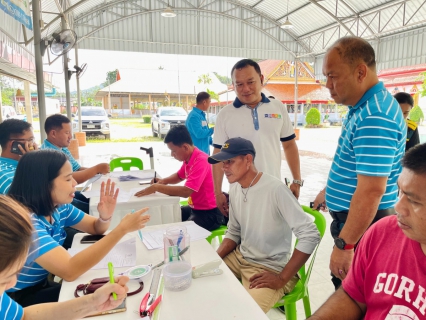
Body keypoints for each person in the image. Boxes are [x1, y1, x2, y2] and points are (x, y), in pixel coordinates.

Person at [312, 36, 406, 290]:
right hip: (358, 222)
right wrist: (329, 192)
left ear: (361, 72)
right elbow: (357, 169)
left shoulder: (375, 116)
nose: (328, 85)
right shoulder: (363, 107)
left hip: (365, 226)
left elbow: (371, 190)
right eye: (325, 77)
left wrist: (346, 245)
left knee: (352, 297)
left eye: (333, 76)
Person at [6, 149, 150, 307]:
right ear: (44, 183)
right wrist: (121, 230)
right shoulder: (27, 223)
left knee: (106, 293)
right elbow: (70, 270)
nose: (75, 184)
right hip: (19, 299)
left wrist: (105, 217)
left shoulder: (58, 207)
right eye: (68, 179)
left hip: (41, 285)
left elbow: (95, 228)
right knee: (100, 300)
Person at [309, 143, 426, 320]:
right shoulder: (383, 233)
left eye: (414, 201)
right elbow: (353, 297)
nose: (398, 207)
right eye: (399, 192)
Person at [209, 137, 320, 313]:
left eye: (229, 161)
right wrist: (214, 259)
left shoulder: (275, 189)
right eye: (223, 163)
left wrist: (282, 278)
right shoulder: (236, 187)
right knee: (202, 284)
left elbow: (310, 235)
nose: (224, 168)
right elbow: (234, 231)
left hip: (269, 267)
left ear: (248, 160)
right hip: (240, 257)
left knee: (245, 313)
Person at [0, 195, 130, 320]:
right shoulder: (34, 226)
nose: (13, 283)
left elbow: (24, 317)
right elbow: (70, 269)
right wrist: (121, 229)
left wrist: (93, 303)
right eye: (5, 280)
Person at [212, 59, 302, 218]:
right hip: (240, 194)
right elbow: (218, 154)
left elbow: (289, 145)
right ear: (233, 85)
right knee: (240, 238)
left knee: (275, 238)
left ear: (261, 79)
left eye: (250, 82)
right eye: (239, 84)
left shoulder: (277, 107)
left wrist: (297, 180)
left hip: (273, 191)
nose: (245, 89)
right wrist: (218, 192)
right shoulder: (225, 114)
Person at [135, 125, 224, 231]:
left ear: (185, 147)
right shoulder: (189, 158)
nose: (172, 154)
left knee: (179, 231)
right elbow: (179, 176)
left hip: (210, 214)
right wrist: (164, 181)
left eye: (173, 151)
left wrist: (157, 187)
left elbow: (186, 192)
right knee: (169, 215)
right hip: (195, 208)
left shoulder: (201, 161)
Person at [0, 119, 38, 194]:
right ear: (14, 145)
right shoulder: (3, 174)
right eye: (30, 140)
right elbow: (25, 200)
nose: (34, 144)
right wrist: (34, 162)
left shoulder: (23, 164)